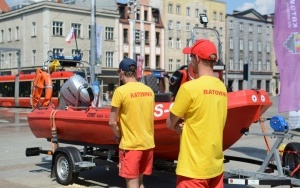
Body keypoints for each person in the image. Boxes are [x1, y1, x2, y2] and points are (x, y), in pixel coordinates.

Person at [166, 39, 228, 188]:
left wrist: (179, 125)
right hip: (215, 167)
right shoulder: (222, 88)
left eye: (191, 57)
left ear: (197, 59)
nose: (190, 61)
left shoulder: (189, 88)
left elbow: (169, 123)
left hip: (193, 170)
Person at [108, 58, 155, 188]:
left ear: (121, 72)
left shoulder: (121, 91)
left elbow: (112, 122)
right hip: (148, 144)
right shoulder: (149, 91)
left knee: (132, 184)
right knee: (140, 183)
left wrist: (119, 135)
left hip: (131, 146)